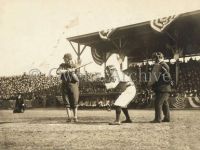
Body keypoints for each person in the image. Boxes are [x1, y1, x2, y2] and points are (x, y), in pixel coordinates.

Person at [148, 52, 172, 123]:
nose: (154, 60)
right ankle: (167, 118)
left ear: (158, 58)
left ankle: (158, 119)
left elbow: (165, 77)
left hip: (163, 88)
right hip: (164, 88)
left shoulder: (162, 65)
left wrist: (151, 83)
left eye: (155, 58)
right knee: (164, 103)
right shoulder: (163, 65)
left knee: (158, 103)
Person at [56, 53, 79, 122]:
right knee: (67, 102)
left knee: (74, 102)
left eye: (65, 58)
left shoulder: (74, 66)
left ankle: (75, 117)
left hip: (73, 85)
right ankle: (69, 118)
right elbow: (57, 72)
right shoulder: (62, 65)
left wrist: (72, 73)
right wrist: (66, 70)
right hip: (64, 85)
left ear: (68, 59)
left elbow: (77, 79)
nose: (64, 60)